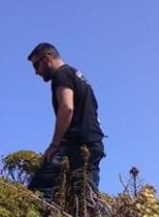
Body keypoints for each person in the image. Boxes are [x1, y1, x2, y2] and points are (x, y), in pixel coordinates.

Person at [26, 42, 105, 200]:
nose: (36, 72)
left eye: (36, 65)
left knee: (40, 189)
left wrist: (54, 145)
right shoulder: (78, 76)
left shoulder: (61, 75)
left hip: (76, 143)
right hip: (93, 142)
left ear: (47, 59)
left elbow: (67, 107)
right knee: (83, 197)